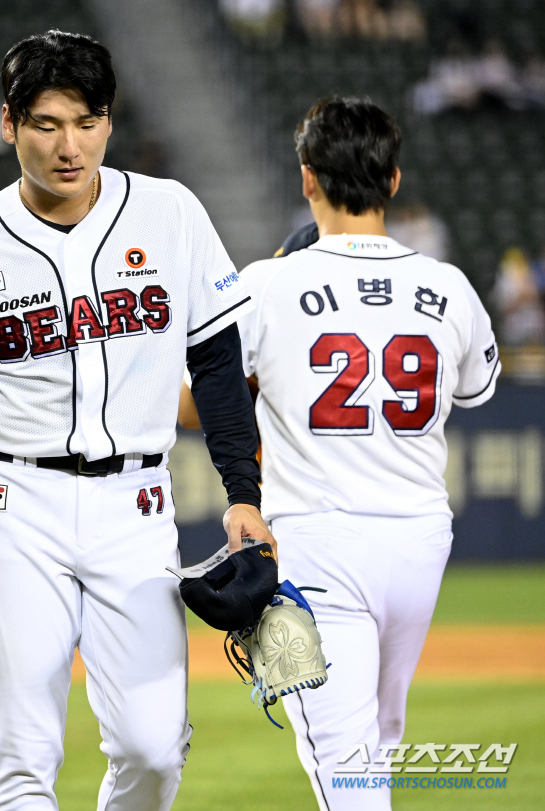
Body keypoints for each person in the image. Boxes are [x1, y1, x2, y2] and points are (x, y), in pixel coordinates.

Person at [0, 30, 274, 811]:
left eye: (87, 120)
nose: (71, 145)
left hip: (134, 507)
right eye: (47, 123)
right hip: (13, 506)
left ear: (110, 119)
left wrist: (244, 491)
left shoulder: (170, 212)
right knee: (25, 754)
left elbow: (217, 364)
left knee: (154, 748)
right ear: (9, 124)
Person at [236, 97, 500, 810]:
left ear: (307, 180)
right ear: (393, 181)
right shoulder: (450, 287)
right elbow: (473, 387)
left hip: (320, 542)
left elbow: (192, 400)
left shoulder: (267, 284)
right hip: (419, 540)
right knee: (378, 745)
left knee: (344, 767)